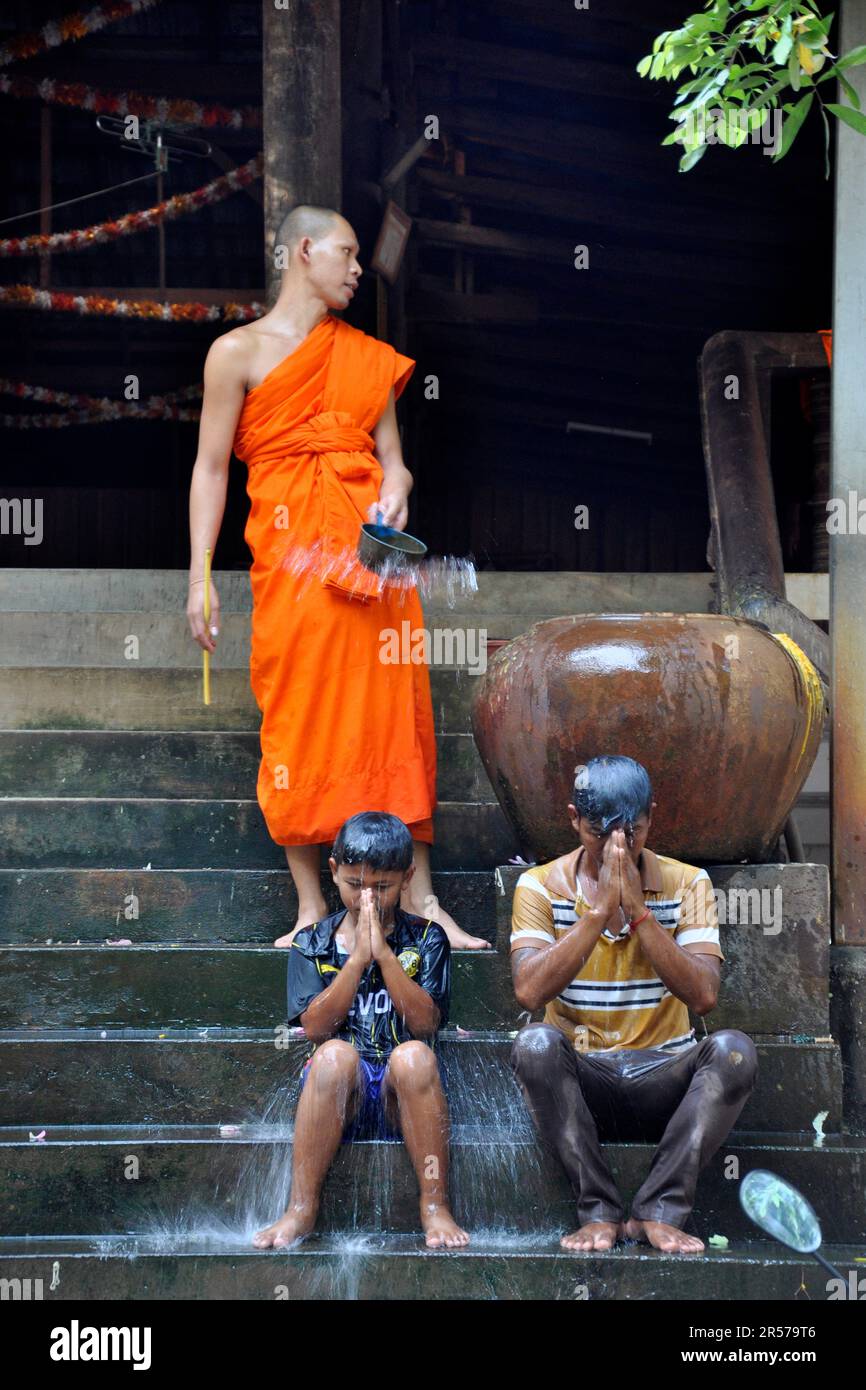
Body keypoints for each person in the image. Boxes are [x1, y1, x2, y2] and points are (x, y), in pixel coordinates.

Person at [186, 203, 489, 950]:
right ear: (304, 252)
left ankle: (420, 903)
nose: (359, 268)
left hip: (370, 564)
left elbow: (395, 459)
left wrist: (398, 490)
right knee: (297, 712)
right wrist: (199, 576)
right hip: (290, 562)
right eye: (347, 253)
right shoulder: (236, 353)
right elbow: (210, 468)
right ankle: (312, 907)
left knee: (397, 717)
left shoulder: (367, 357)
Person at [509, 754, 758, 1255]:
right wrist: (599, 911)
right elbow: (529, 992)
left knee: (734, 1051)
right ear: (575, 819)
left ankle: (658, 1211)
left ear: (652, 818)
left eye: (634, 833)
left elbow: (705, 995)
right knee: (535, 1044)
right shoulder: (538, 885)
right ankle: (598, 1210)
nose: (617, 848)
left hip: (664, 1074)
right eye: (599, 834)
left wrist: (641, 913)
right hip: (586, 1078)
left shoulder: (689, 883)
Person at [253, 811, 469, 1251]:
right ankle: (300, 1209)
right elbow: (314, 1028)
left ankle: (434, 1206)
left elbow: (426, 1023)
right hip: (339, 1093)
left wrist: (385, 956)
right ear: (333, 871)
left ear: (408, 878)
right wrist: (355, 961)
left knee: (413, 1055)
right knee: (334, 1055)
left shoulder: (427, 939)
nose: (366, 898)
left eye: (382, 887)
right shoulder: (311, 942)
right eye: (355, 885)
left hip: (402, 1095)